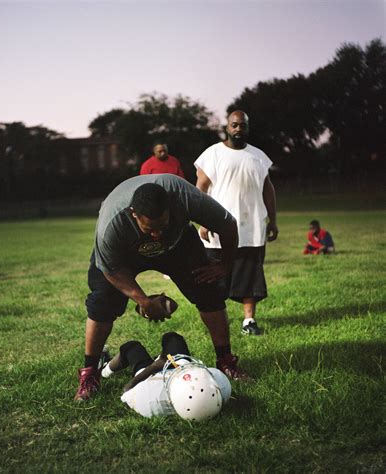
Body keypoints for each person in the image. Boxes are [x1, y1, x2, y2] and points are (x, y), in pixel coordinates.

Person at [75, 174, 248, 402]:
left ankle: (226, 361)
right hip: (126, 254)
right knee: (102, 301)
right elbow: (111, 270)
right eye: (149, 229)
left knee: (209, 290)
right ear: (133, 214)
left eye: (161, 226)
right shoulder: (112, 223)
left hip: (177, 245)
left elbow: (228, 224)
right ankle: (90, 372)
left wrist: (225, 265)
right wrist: (144, 301)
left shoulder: (184, 197)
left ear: (170, 208)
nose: (156, 234)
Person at [195, 110, 278, 336]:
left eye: (242, 125)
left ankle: (248, 321)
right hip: (219, 228)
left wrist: (273, 219)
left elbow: (267, 189)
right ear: (227, 127)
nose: (238, 129)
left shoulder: (259, 156)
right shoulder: (212, 154)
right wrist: (203, 220)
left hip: (253, 227)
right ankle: (216, 322)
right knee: (214, 278)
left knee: (250, 275)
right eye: (234, 125)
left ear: (247, 128)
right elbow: (200, 189)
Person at [101, 332, 231, 420]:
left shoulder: (151, 400)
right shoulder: (221, 385)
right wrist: (184, 367)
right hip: (183, 367)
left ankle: (104, 369)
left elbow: (127, 390)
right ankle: (163, 359)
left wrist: (153, 367)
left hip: (151, 376)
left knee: (131, 347)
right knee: (172, 338)